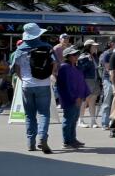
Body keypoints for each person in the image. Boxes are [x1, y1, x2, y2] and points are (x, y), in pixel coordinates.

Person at [13, 24, 56, 153]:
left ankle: (30, 142)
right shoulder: (47, 47)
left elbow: (16, 69)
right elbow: (54, 64)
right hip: (43, 84)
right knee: (43, 113)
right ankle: (42, 137)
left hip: (27, 85)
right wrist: (48, 77)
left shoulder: (20, 49)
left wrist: (23, 79)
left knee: (29, 115)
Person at [55, 46, 88, 149]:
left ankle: (73, 139)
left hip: (78, 97)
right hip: (70, 98)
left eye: (77, 54)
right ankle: (66, 141)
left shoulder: (76, 67)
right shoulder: (64, 67)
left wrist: (82, 95)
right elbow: (66, 85)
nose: (76, 56)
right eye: (74, 55)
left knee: (74, 119)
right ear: (67, 56)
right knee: (68, 119)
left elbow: (81, 82)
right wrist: (75, 97)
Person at [77, 40, 101, 127]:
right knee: (85, 101)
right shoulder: (83, 57)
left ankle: (93, 121)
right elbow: (80, 70)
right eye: (94, 46)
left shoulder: (94, 56)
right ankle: (81, 120)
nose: (96, 47)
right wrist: (88, 62)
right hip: (86, 80)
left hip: (94, 80)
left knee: (93, 101)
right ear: (88, 47)